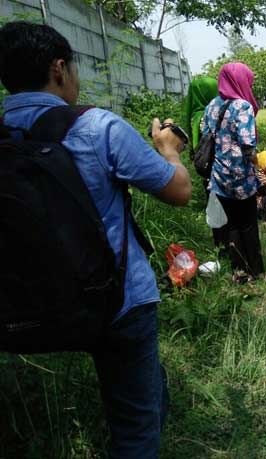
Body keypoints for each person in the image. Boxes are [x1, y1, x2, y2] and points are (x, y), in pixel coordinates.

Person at [0, 21, 192, 457]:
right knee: (135, 426)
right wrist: (168, 149)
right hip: (116, 302)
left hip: (24, 306)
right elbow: (178, 191)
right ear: (59, 68)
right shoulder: (98, 127)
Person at [202, 62, 264, 282]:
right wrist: (260, 164)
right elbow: (248, 146)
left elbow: (206, 135)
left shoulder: (211, 106)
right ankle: (256, 272)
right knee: (247, 225)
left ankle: (238, 273)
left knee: (230, 226)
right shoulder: (243, 107)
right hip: (240, 179)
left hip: (219, 177)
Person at [180, 76, 226, 247]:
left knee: (215, 205)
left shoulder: (197, 117)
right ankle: (226, 244)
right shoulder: (216, 112)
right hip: (222, 169)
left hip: (208, 170)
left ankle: (220, 244)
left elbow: (196, 146)